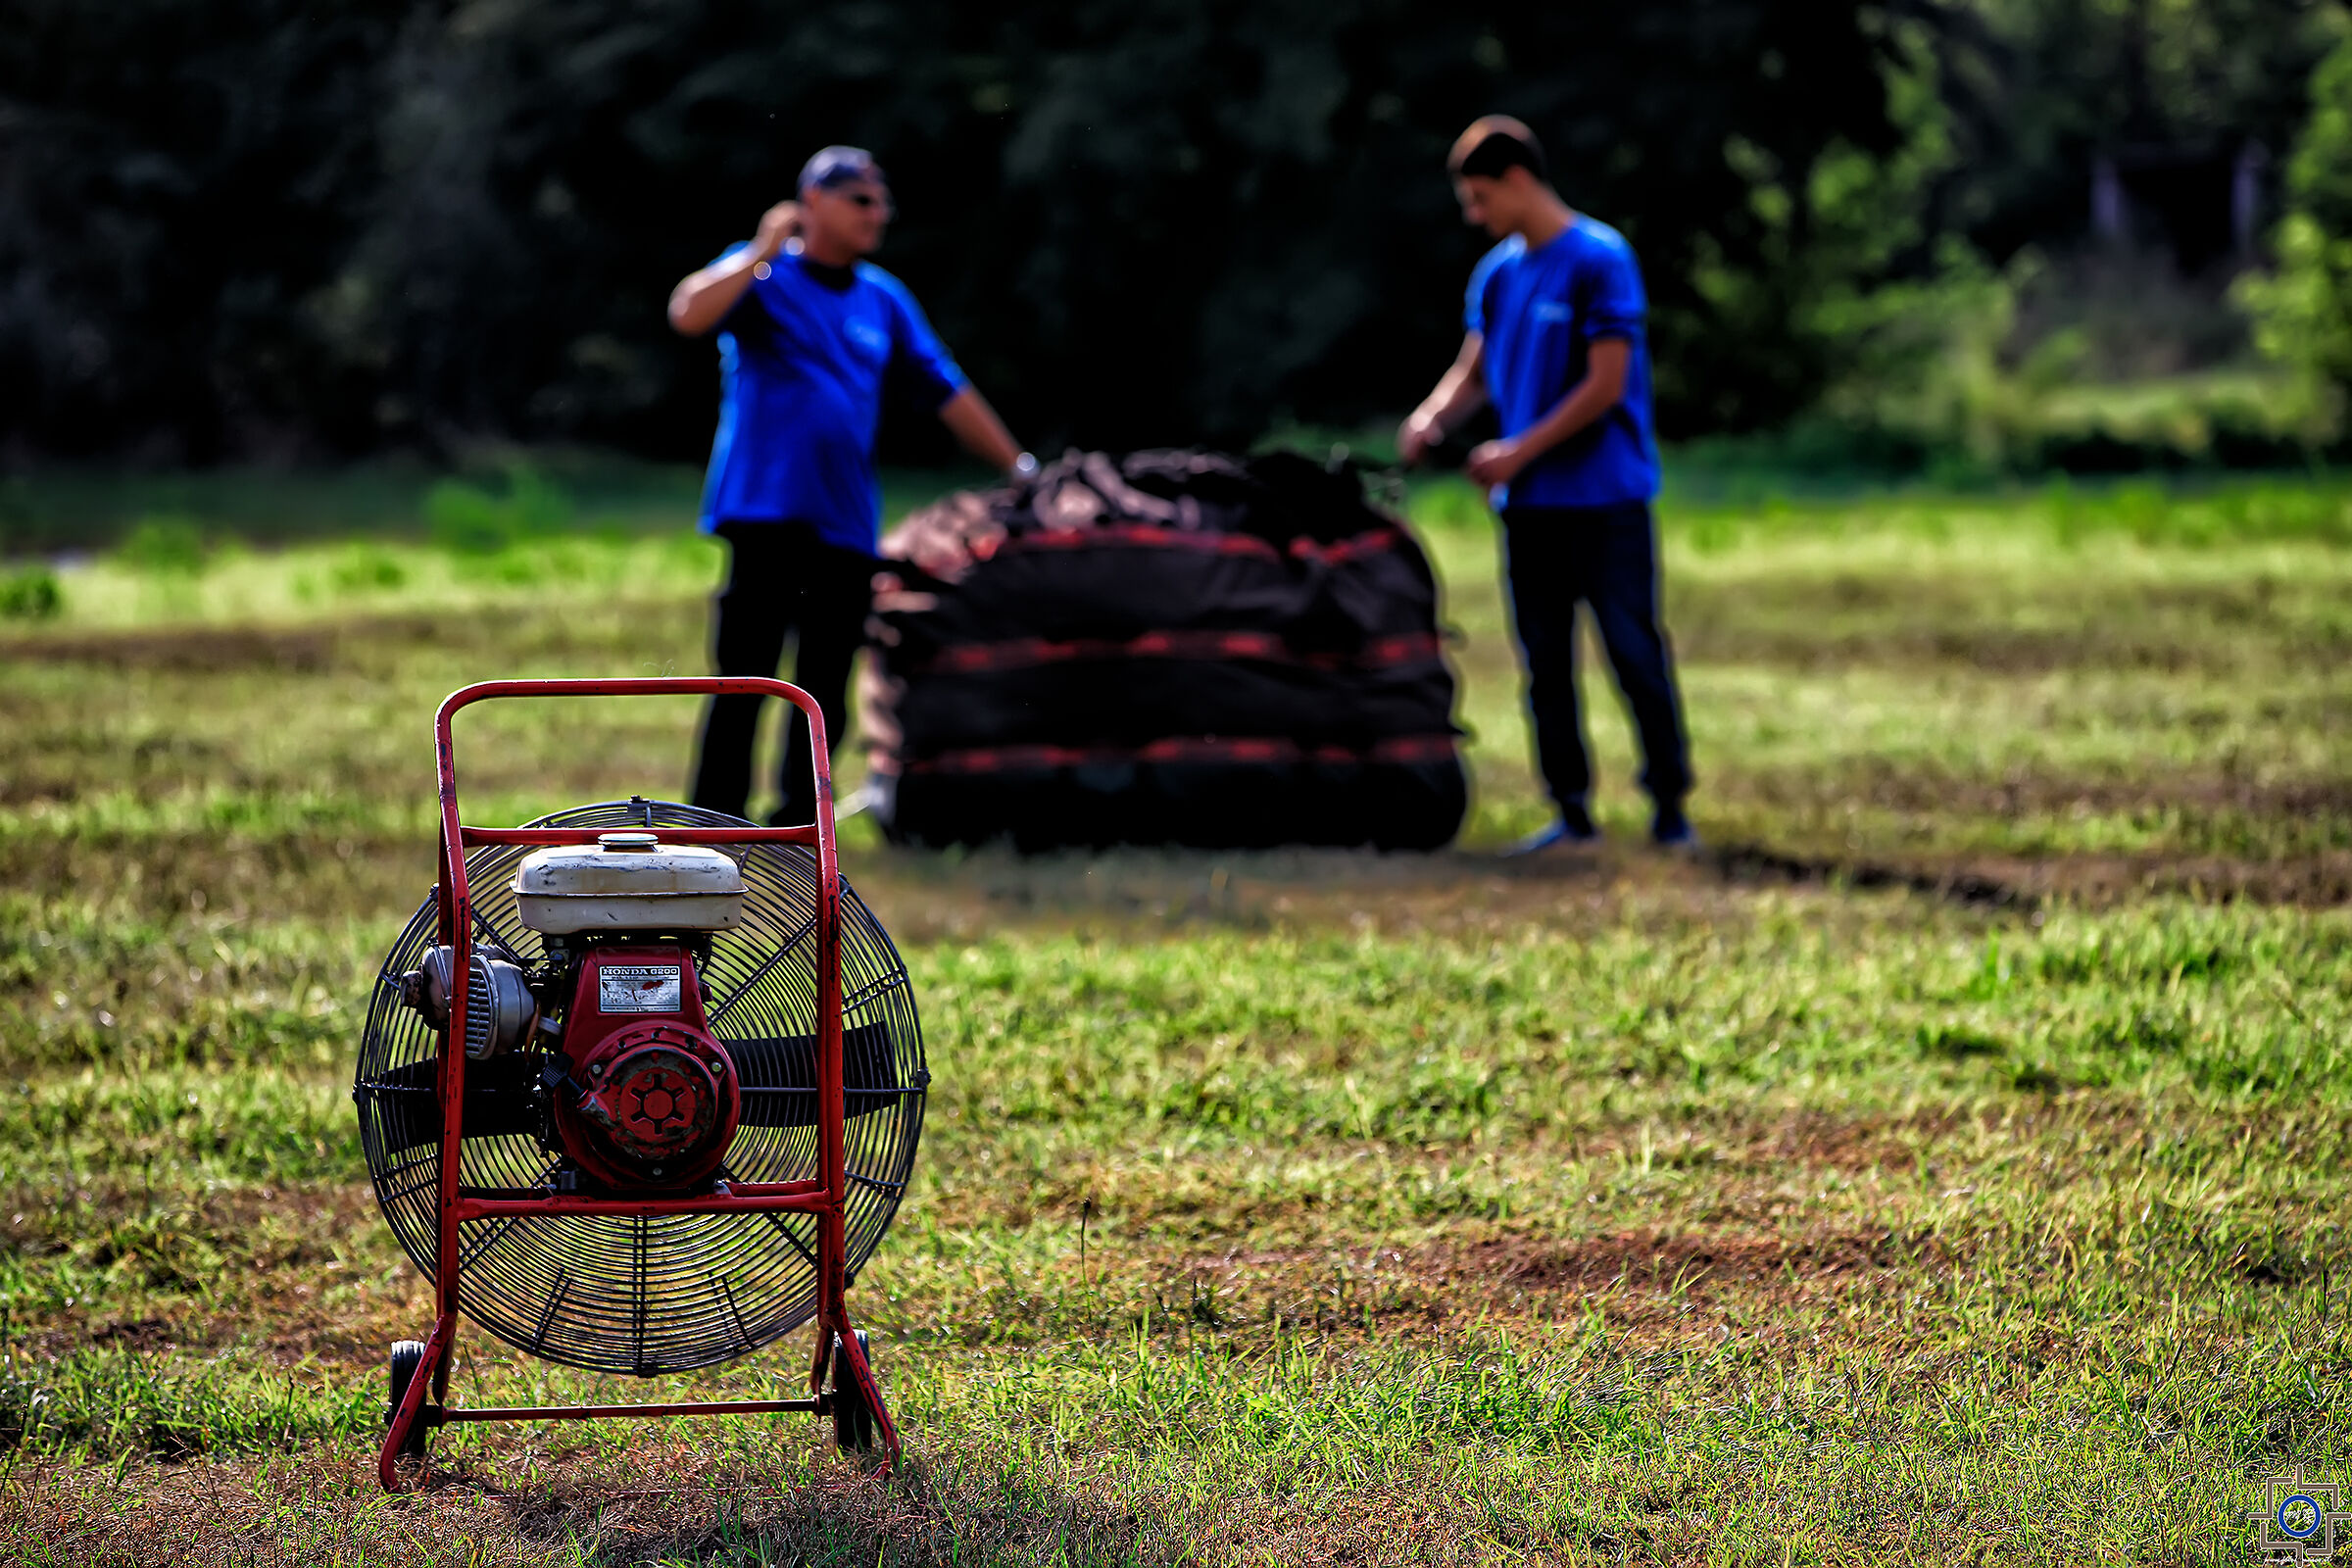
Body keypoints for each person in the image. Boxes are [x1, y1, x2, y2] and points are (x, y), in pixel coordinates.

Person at [668, 145, 1034, 823]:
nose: (878, 214)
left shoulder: (882, 298)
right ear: (813, 202)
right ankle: (715, 829)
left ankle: (797, 834)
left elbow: (946, 389)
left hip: (845, 524)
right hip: (764, 515)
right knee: (743, 682)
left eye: (882, 201)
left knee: (823, 690)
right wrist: (760, 249)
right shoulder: (763, 275)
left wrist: (1020, 469)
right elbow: (688, 313)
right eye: (861, 200)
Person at [1399, 116, 1695, 854]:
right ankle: (1571, 812)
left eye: (1480, 198)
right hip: (1530, 509)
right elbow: (1473, 371)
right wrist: (1432, 417)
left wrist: (1518, 452)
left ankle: (1669, 806)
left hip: (1606, 501)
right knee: (1544, 665)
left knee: (1633, 651)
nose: (1475, 215)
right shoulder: (1499, 274)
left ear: (1518, 180)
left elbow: (1606, 384)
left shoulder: (1600, 259)